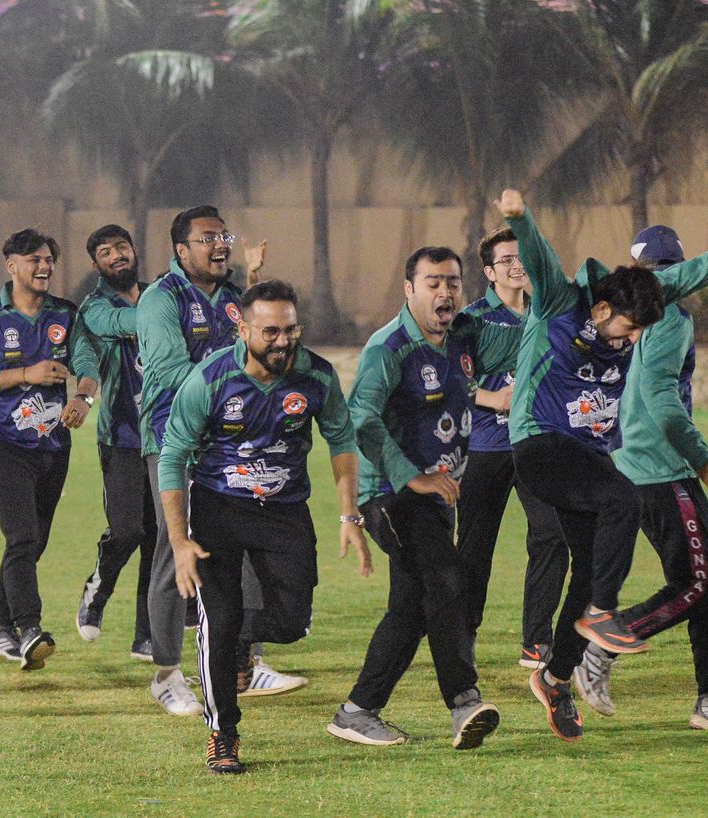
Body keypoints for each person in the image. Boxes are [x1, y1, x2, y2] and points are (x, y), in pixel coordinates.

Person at [498, 188, 708, 741]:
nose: (635, 339)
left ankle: (556, 675)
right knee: (632, 512)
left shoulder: (648, 298)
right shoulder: (560, 302)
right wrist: (520, 218)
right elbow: (542, 257)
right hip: (541, 444)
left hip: (590, 457)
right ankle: (605, 618)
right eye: (629, 329)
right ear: (602, 309)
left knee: (590, 566)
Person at [158, 279, 371, 773]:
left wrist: (349, 516)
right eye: (270, 332)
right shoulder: (209, 380)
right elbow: (172, 458)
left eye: (290, 330)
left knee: (293, 622)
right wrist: (180, 541)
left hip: (285, 510)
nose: (282, 341)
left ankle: (234, 637)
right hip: (219, 509)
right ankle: (223, 733)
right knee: (220, 618)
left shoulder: (315, 376)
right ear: (243, 329)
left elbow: (342, 440)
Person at [571, 222, 708, 729]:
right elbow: (660, 399)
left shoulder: (622, 313)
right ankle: (604, 642)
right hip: (659, 467)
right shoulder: (670, 318)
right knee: (700, 582)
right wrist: (702, 457)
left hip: (632, 462)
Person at [327, 246, 520, 751]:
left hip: (435, 497)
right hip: (389, 496)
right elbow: (361, 419)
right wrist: (411, 476)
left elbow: (524, 342)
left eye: (453, 282)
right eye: (433, 282)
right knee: (447, 577)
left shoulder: (463, 338)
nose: (445, 292)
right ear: (409, 289)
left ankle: (357, 711)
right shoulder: (388, 348)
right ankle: (464, 701)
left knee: (411, 608)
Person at [137, 205, 300, 716]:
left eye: (223, 236)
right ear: (181, 249)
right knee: (176, 547)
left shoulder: (233, 298)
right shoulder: (161, 298)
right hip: (175, 441)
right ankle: (166, 673)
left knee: (248, 545)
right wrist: (238, 376)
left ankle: (245, 663)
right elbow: (171, 371)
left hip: (232, 443)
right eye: (208, 238)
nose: (219, 245)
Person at [0, 229, 99, 671]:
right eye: (34, 259)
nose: (44, 266)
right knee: (21, 536)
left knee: (34, 541)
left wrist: (83, 397)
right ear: (11, 266)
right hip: (3, 444)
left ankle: (0, 627)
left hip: (53, 445)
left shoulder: (66, 314)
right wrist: (25, 374)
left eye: (49, 259)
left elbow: (88, 362)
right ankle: (29, 628)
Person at [455, 228, 567, 669]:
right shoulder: (471, 320)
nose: (516, 265)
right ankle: (462, 638)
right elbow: (447, 379)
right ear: (489, 272)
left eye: (521, 257)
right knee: (474, 549)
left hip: (536, 444)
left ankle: (537, 641)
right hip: (485, 448)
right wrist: (492, 398)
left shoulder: (548, 311)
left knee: (552, 535)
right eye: (506, 260)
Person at [73, 224, 156, 661]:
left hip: (167, 440)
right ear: (96, 264)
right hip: (122, 436)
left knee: (161, 538)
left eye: (121, 247)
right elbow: (113, 329)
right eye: (105, 252)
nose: (116, 255)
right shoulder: (95, 307)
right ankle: (97, 590)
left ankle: (148, 634)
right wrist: (168, 314)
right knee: (128, 530)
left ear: (134, 250)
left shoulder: (159, 293)